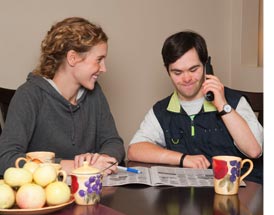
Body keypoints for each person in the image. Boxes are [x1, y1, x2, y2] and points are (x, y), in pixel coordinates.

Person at [127, 30, 263, 184]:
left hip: (244, 192)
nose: (186, 79)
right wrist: (183, 159)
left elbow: (254, 150)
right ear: (167, 71)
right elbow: (134, 150)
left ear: (206, 66)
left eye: (193, 70)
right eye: (177, 72)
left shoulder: (234, 102)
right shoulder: (162, 110)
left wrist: (222, 105)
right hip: (192, 198)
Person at [0, 17, 125, 177]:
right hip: (43, 197)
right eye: (99, 60)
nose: (104, 69)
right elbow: (5, 158)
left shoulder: (95, 94)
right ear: (73, 58)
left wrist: (104, 159)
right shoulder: (29, 95)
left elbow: (113, 141)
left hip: (88, 195)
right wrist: (75, 166)